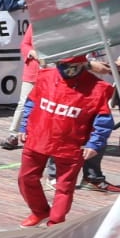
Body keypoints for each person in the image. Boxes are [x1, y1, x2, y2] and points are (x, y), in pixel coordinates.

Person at [20, 55, 117, 226]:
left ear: (82, 64)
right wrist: (23, 126)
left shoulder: (98, 88)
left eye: (73, 65)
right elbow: (31, 102)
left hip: (71, 145)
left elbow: (103, 121)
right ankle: (40, 211)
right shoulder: (45, 76)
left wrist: (95, 143)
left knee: (64, 187)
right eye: (63, 65)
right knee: (26, 178)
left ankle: (56, 223)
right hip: (38, 137)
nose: (68, 69)